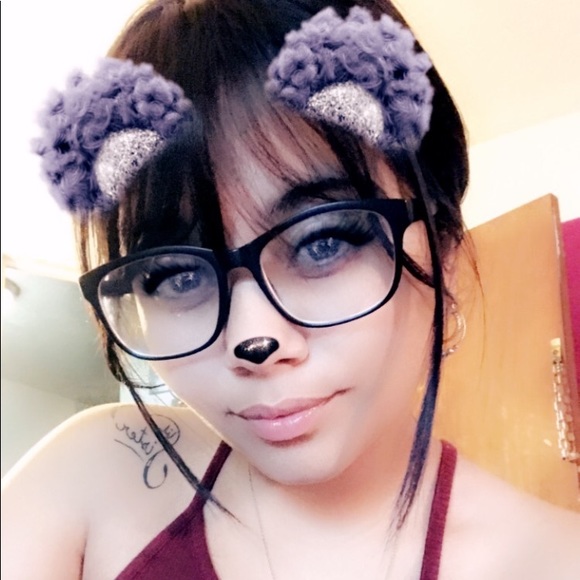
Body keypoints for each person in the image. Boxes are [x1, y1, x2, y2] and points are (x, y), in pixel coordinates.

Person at [2, 0, 579, 578]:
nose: (253, 339)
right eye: (178, 274)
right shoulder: (96, 475)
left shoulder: (553, 560)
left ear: (444, 253)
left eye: (323, 242)